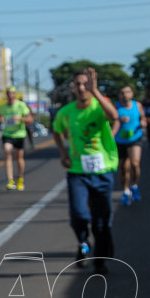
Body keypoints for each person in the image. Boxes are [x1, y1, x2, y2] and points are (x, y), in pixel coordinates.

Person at [52, 68, 120, 274]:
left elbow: (113, 115)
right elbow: (56, 131)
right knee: (79, 215)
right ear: (73, 88)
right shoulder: (67, 111)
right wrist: (63, 153)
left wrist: (96, 91)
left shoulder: (99, 107)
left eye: (85, 84)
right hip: (77, 171)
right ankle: (83, 243)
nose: (81, 88)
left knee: (101, 220)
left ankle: (100, 259)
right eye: (78, 85)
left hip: (102, 171)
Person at [114, 85, 146, 206]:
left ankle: (134, 185)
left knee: (135, 163)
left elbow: (143, 118)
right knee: (123, 167)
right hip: (120, 140)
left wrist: (143, 122)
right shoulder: (116, 106)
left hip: (135, 138)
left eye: (127, 92)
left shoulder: (137, 105)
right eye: (122, 92)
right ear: (119, 95)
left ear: (132, 94)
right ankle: (126, 191)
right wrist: (118, 120)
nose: (125, 95)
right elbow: (109, 119)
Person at [0, 86, 33, 191]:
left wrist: (20, 119)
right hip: (7, 134)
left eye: (12, 93)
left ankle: (20, 178)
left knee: (19, 158)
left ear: (15, 94)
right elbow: (1, 118)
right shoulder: (3, 107)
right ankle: (10, 180)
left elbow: (30, 119)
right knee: (7, 152)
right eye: (8, 93)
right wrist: (1, 120)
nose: (10, 95)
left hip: (19, 134)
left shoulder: (21, 105)